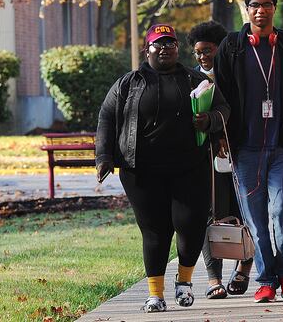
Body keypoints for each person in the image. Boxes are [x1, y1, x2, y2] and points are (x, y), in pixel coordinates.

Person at [95, 23, 230, 313]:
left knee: (191, 225)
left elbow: (223, 109)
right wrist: (103, 156)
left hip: (190, 168)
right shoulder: (128, 83)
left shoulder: (195, 79)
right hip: (141, 171)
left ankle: (185, 281)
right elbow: (106, 117)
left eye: (171, 43)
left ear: (177, 49)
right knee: (155, 231)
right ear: (147, 49)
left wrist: (209, 121)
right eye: (159, 43)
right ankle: (155, 294)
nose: (165, 48)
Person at [214, 0, 283, 303]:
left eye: (267, 4)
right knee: (256, 220)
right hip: (244, 148)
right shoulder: (231, 47)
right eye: (255, 5)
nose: (261, 10)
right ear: (247, 9)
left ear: (275, 7)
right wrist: (220, 136)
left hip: (282, 145)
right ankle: (266, 279)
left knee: (282, 209)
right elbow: (220, 95)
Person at [187, 21, 254, 299]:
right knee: (210, 214)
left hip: (241, 152)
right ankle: (214, 277)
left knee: (246, 211)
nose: (203, 56)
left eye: (208, 50)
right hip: (206, 158)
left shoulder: (235, 73)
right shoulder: (191, 78)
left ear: (220, 48)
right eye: (198, 52)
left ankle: (244, 268)